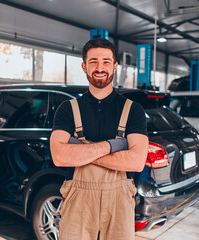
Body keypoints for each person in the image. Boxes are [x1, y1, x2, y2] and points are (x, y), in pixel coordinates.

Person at [50, 38, 148, 240]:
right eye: (93, 61)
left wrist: (81, 151)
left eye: (106, 61)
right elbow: (59, 156)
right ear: (84, 66)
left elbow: (137, 162)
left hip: (119, 202)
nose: (99, 67)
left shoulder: (133, 110)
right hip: (78, 200)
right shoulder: (67, 109)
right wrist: (114, 146)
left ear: (115, 66)